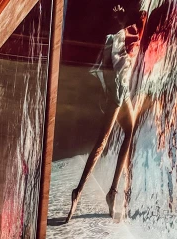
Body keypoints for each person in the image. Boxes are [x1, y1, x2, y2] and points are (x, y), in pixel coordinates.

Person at [65, 5, 146, 223]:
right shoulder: (123, 34)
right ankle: (78, 192)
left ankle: (111, 192)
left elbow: (108, 65)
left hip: (122, 92)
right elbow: (113, 67)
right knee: (101, 143)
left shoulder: (123, 34)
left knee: (129, 130)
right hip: (119, 92)